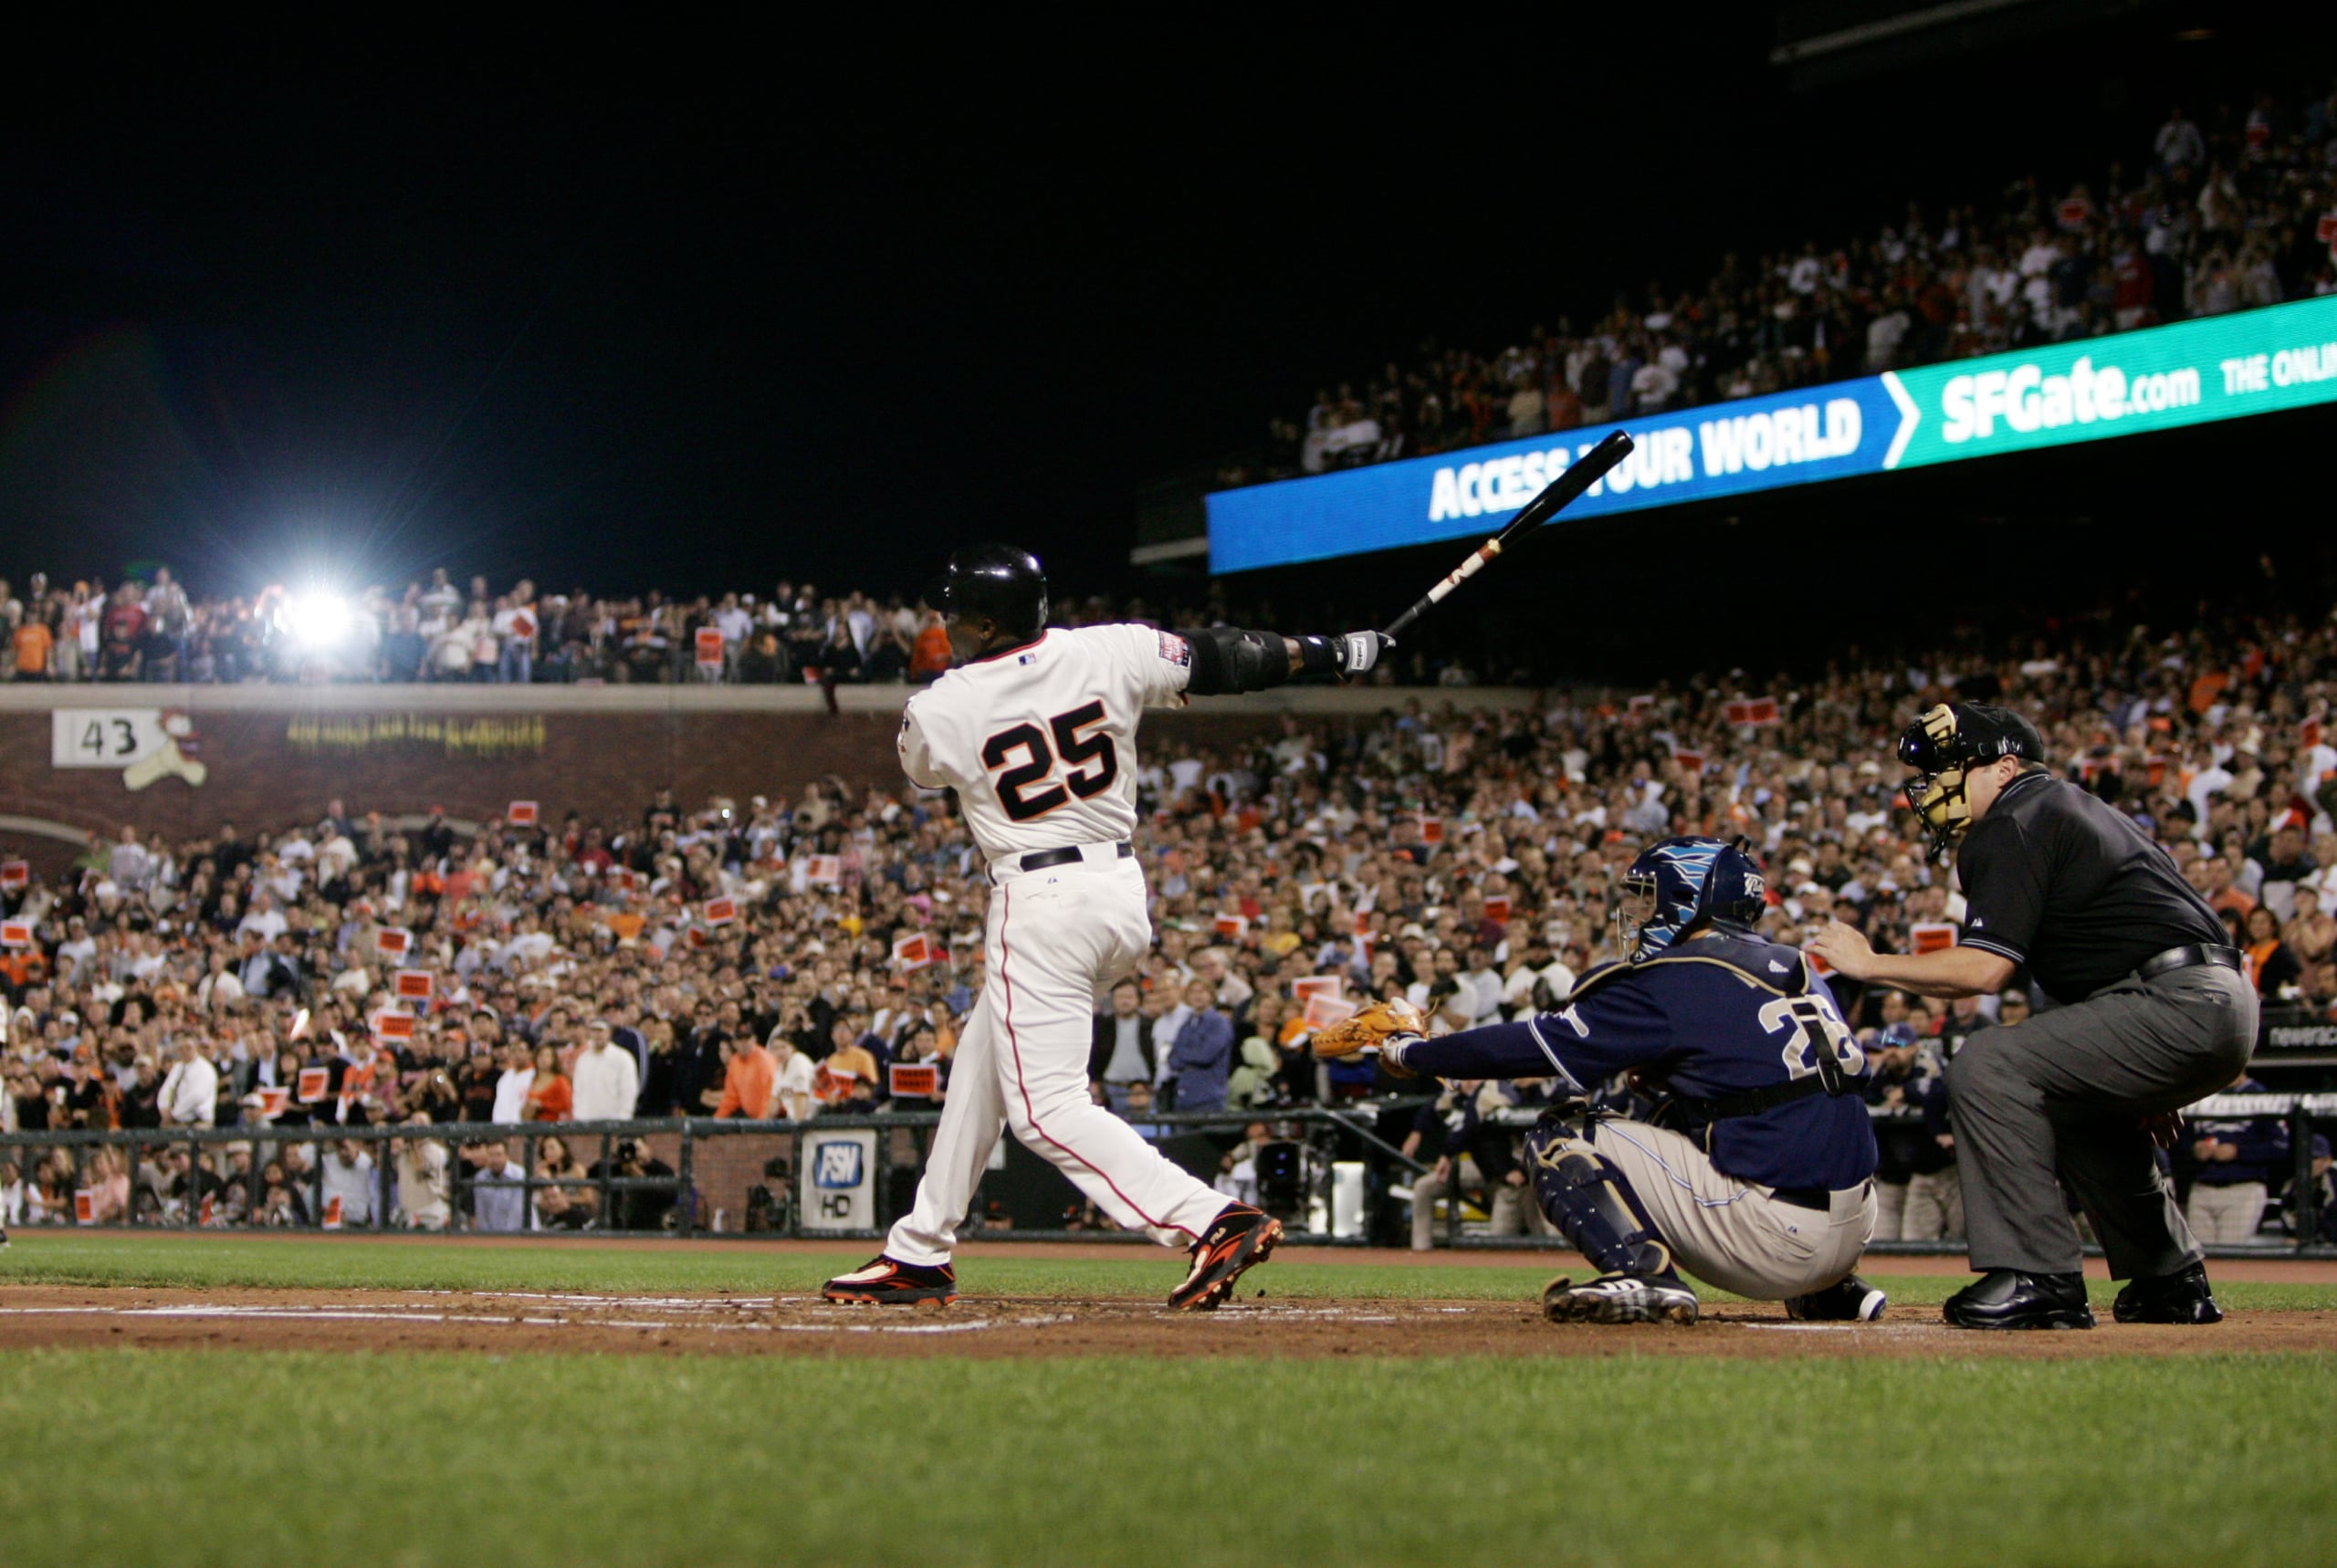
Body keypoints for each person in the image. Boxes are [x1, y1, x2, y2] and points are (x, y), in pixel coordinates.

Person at [823, 542, 1386, 1309]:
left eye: (957, 616)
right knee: (982, 1070)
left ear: (988, 624)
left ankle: (1214, 1219)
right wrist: (1331, 652)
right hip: (1119, 891)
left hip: (1041, 898)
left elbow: (924, 769)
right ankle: (919, 1248)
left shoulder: (944, 704)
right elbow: (1228, 659)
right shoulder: (1111, 645)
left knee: (1047, 1110)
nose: (946, 625)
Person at [1812, 703, 2255, 1330]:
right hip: (2207, 1000)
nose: (1937, 786)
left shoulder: (2014, 820)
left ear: (2005, 767)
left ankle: (2038, 1276)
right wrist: (2141, 1068)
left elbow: (1982, 973)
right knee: (2079, 1108)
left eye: (1951, 769)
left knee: (1986, 1062)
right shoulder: (2070, 808)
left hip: (2174, 1002)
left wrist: (1871, 962)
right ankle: (2169, 1280)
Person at [1317, 836, 1884, 1325]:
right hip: (1853, 1229)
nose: (1637, 914)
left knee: (1561, 1133)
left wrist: (1419, 1052)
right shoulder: (1795, 968)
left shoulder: (1676, 977)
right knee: (1684, 1110)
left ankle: (1643, 1276)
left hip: (1776, 1239)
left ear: (1689, 902)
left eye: (1649, 899)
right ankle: (1829, 1290)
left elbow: (1535, 1047)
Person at [2181, 1071, 2288, 1246]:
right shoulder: (2201, 1094)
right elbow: (2178, 1141)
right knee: (2197, 1258)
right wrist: (2195, 1149)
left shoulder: (2260, 1095)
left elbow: (2279, 1147)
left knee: (2230, 1258)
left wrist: (2238, 1152)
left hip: (2242, 1188)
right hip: (2201, 1188)